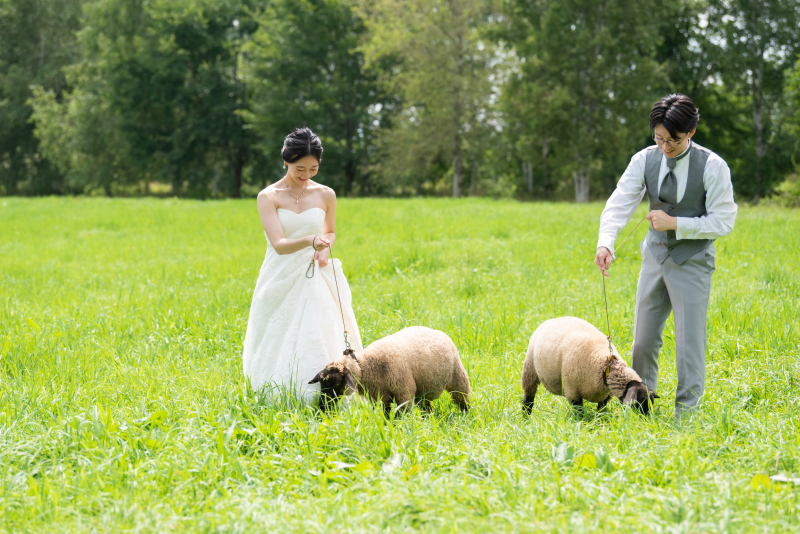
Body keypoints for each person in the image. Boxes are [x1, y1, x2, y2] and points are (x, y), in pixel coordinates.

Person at [594, 94, 737, 419]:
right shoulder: (644, 160)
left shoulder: (713, 166)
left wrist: (676, 224)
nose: (665, 147)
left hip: (693, 261)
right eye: (659, 138)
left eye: (673, 140)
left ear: (691, 132)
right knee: (642, 341)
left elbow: (724, 220)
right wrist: (606, 242)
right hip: (654, 258)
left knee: (689, 344)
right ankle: (640, 407)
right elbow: (620, 202)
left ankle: (686, 417)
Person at [242, 127, 362, 402]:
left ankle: (328, 394)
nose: (306, 175)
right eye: (299, 169)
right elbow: (279, 245)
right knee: (276, 333)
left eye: (313, 168)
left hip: (314, 273)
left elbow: (329, 232)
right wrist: (310, 240)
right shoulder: (268, 197)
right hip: (280, 273)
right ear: (285, 160)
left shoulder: (326, 194)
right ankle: (278, 393)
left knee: (318, 329)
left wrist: (324, 246)